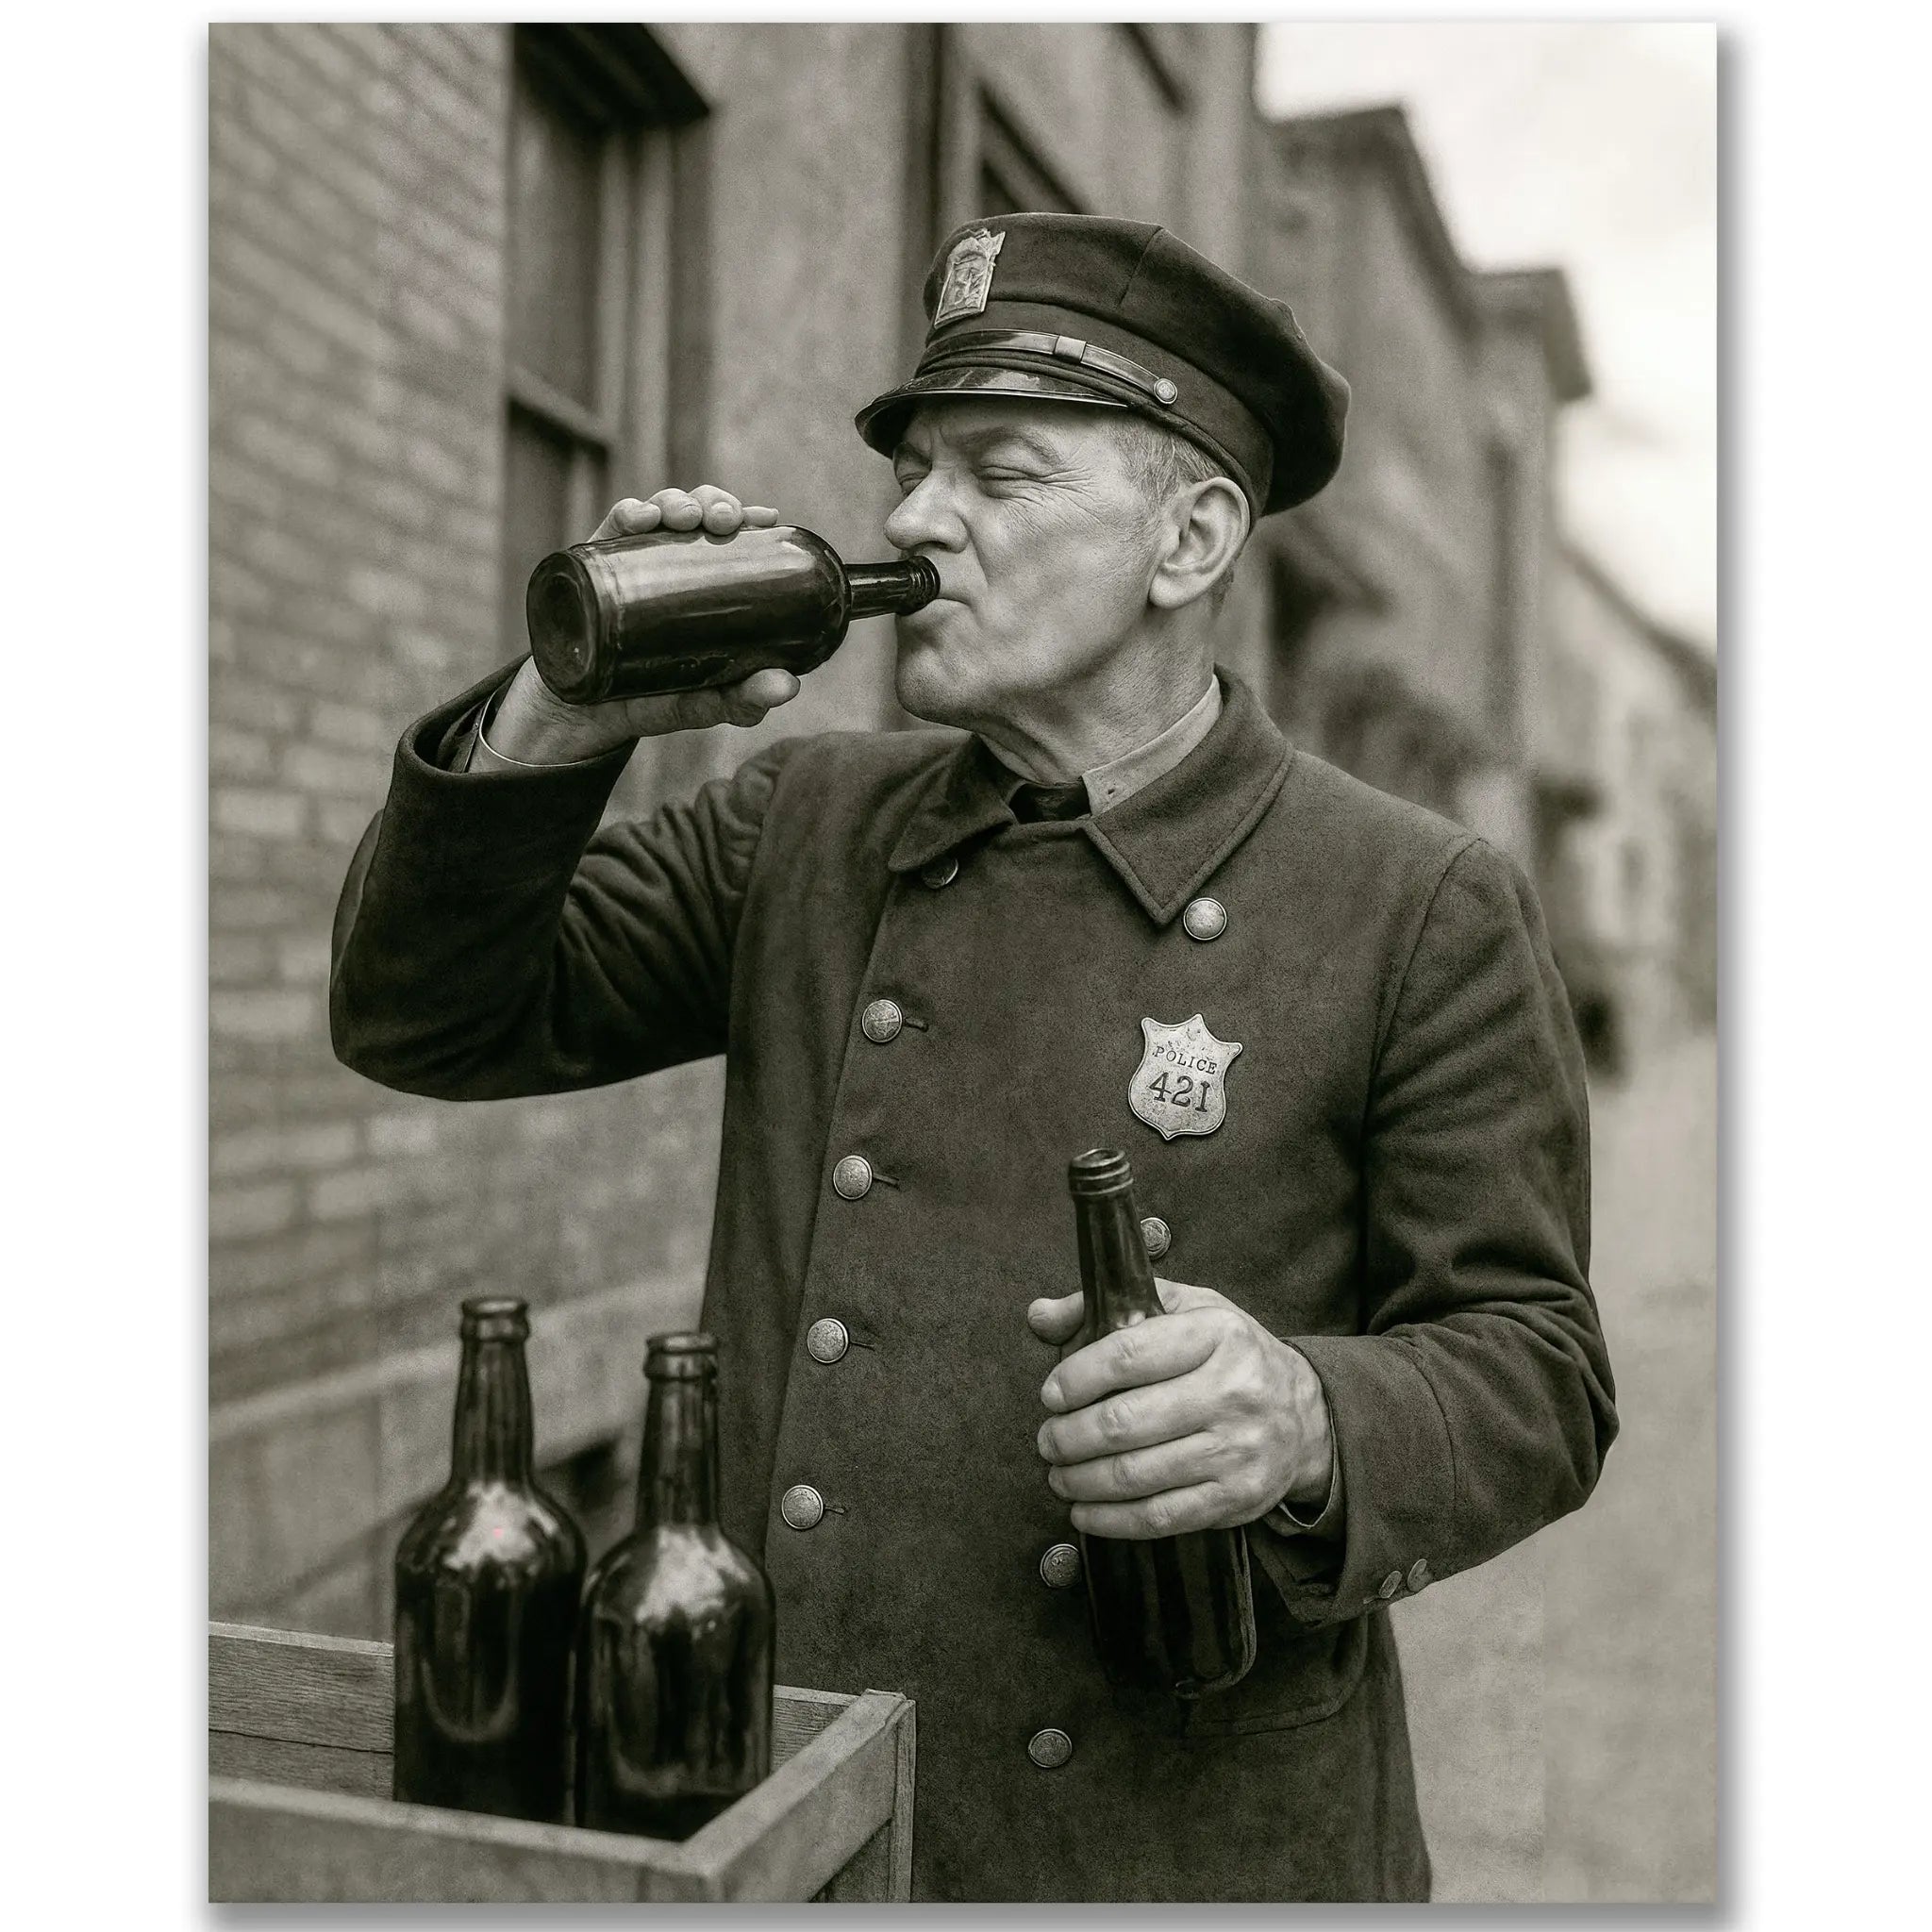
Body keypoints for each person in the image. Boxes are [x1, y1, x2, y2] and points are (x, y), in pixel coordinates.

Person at [331, 210, 1617, 1902]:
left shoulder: (1415, 899)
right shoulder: (808, 819)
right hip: (784, 1803)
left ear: (1192, 539)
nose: (911, 521)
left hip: (1175, 1845)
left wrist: (1307, 1412)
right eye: (918, 468)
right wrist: (570, 713)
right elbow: (430, 1013)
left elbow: (1537, 1371)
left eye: (997, 477)